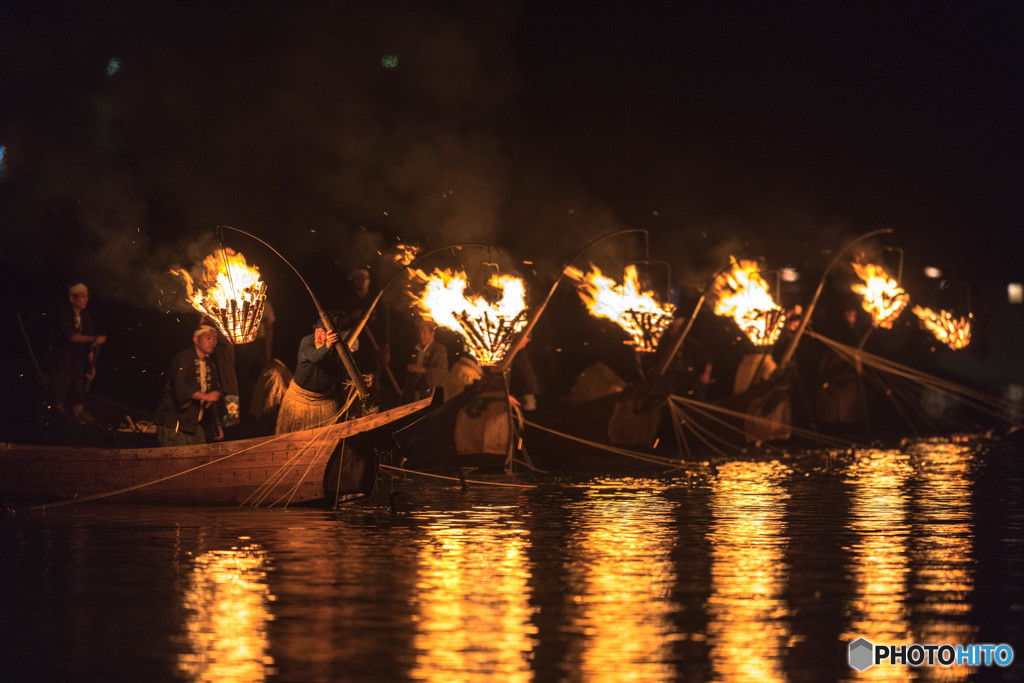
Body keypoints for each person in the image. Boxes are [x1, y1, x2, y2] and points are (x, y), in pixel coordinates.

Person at [275, 315, 353, 434]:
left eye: (325, 333)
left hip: (325, 403)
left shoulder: (340, 348)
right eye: (318, 331)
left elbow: (341, 372)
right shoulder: (307, 342)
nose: (320, 336)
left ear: (334, 335)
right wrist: (327, 345)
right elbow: (315, 357)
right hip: (299, 401)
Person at [155, 325, 224, 446]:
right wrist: (205, 396)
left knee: (202, 458)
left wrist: (217, 424)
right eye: (208, 338)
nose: (212, 342)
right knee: (178, 463)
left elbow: (213, 395)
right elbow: (180, 387)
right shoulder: (183, 358)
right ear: (196, 340)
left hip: (192, 425)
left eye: (215, 339)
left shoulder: (209, 364)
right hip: (173, 424)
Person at [53, 282, 107, 421]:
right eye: (82, 296)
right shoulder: (64, 313)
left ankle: (80, 423)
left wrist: (91, 366)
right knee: (58, 394)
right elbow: (70, 336)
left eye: (86, 296)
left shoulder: (85, 317)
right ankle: (58, 421)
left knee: (78, 394)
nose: (86, 299)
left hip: (76, 362)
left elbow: (89, 347)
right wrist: (93, 338)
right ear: (72, 298)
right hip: (61, 361)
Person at [403, 320, 448, 402]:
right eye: (419, 332)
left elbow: (440, 371)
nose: (421, 335)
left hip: (432, 394)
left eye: (424, 332)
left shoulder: (439, 349)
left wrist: (418, 369)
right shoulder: (416, 349)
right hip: (417, 394)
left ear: (432, 334)